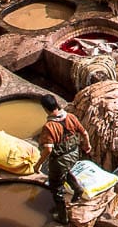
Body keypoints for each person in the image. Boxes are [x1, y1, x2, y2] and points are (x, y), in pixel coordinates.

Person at [36, 94, 91, 225]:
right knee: (64, 172)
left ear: (45, 108)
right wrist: (87, 145)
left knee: (56, 187)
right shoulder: (71, 117)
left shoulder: (49, 127)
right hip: (74, 154)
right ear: (56, 104)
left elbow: (48, 149)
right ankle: (78, 189)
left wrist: (38, 164)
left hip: (60, 160)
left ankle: (63, 217)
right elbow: (84, 133)